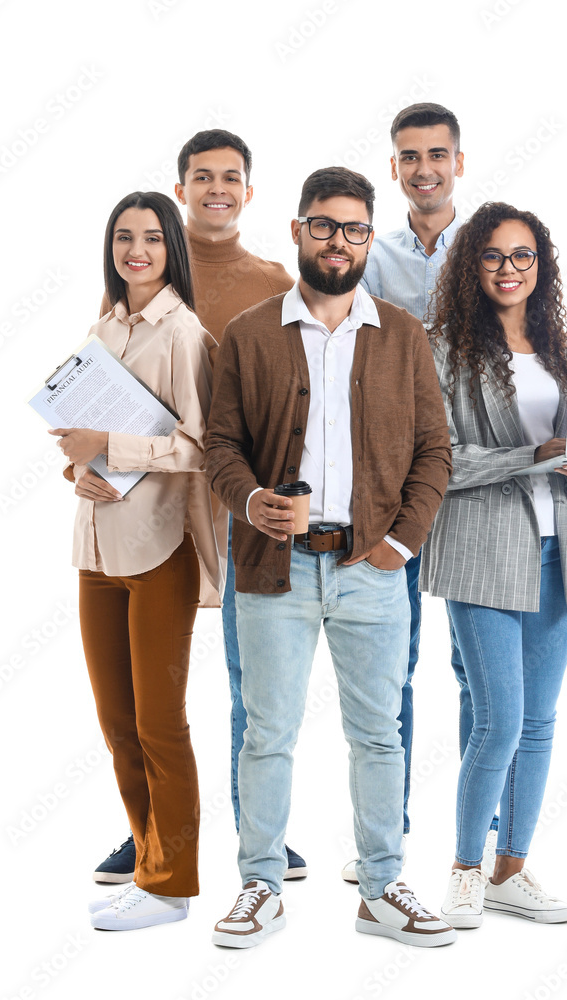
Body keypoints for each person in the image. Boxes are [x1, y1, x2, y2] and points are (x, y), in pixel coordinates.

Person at [205, 166, 455, 948]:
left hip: (370, 569)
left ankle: (382, 889)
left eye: (353, 229)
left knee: (379, 733)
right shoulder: (248, 333)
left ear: (366, 239)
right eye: (323, 225)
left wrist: (398, 543)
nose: (338, 241)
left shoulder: (402, 334)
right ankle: (259, 885)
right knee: (265, 732)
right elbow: (220, 446)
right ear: (297, 231)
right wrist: (250, 501)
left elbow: (433, 451)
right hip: (271, 570)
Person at [92, 130, 306, 884]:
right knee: (147, 702)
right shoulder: (134, 288)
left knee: (253, 679)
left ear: (248, 192)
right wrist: (88, 463)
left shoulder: (276, 280)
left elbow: (294, 393)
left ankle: (260, 829)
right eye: (201, 176)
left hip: (243, 506)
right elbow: (108, 406)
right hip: (151, 513)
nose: (216, 188)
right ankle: (152, 837)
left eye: (231, 178)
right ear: (180, 188)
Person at [420, 202, 567, 928]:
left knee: (537, 722)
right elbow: (436, 460)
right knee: (497, 722)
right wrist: (532, 455)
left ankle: (512, 870)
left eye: (523, 256)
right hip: (480, 551)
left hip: (556, 548)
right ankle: (464, 870)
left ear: (541, 266)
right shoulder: (439, 348)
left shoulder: (559, 349)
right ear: (470, 267)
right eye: (493, 257)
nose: (509, 270)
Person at [52, 191, 222, 930]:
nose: (136, 251)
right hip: (96, 545)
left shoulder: (183, 334)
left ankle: (171, 885)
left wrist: (110, 449)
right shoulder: (102, 326)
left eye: (152, 238)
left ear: (170, 248)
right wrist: (78, 469)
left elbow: (201, 446)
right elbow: (78, 435)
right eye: (124, 237)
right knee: (116, 721)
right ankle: (147, 868)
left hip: (159, 550)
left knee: (160, 724)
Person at [339, 103, 497, 880]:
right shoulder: (371, 257)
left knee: (477, 672)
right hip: (395, 481)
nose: (423, 168)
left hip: (477, 481)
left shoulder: (493, 250)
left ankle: (486, 839)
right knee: (387, 667)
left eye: (437, 154)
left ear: (458, 162)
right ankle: (385, 835)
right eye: (409, 156)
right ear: (393, 166)